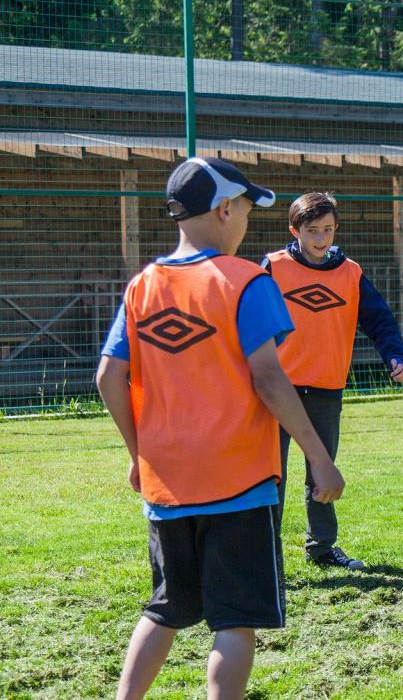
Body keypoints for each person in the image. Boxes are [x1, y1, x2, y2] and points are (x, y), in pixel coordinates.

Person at [95, 157, 344, 699]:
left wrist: (139, 455)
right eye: (249, 210)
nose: (248, 221)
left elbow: (108, 377)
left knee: (165, 607)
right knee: (235, 620)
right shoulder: (245, 281)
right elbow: (271, 381)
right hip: (239, 485)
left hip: (168, 484)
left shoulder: (143, 286)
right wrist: (320, 458)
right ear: (226, 209)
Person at [262, 192, 403, 571]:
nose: (321, 239)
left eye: (328, 230)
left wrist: (394, 355)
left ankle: (322, 549)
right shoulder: (273, 268)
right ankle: (264, 556)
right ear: (294, 230)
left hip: (327, 388)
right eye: (312, 231)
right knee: (269, 476)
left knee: (321, 472)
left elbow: (380, 320)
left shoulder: (351, 273)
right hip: (278, 390)